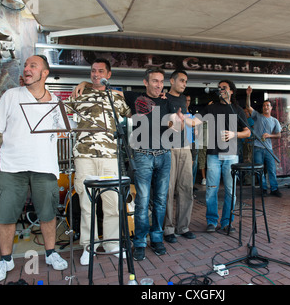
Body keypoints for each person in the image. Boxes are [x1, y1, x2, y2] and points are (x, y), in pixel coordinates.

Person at [0, 55, 68, 283]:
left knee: (47, 214)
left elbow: (63, 131)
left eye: (32, 66)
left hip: (44, 167)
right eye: (25, 66)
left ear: (44, 73)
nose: (26, 69)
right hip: (11, 166)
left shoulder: (56, 102)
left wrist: (67, 129)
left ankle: (51, 253)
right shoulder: (11, 95)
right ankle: (6, 260)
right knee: (5, 216)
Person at [68, 58, 131, 265]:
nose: (96, 74)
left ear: (109, 74)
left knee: (112, 201)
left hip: (109, 155)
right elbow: (65, 115)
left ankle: (112, 244)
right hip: (84, 155)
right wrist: (83, 86)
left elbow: (131, 116)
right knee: (87, 203)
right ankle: (89, 246)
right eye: (93, 71)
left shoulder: (116, 97)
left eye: (100, 71)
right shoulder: (79, 93)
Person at [122, 67, 183, 261]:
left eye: (161, 81)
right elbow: (109, 91)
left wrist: (179, 124)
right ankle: (139, 241)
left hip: (164, 155)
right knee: (142, 201)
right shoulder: (134, 98)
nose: (158, 85)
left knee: (161, 200)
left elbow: (174, 127)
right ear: (145, 82)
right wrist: (83, 84)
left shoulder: (169, 102)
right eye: (154, 81)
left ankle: (157, 238)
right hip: (143, 155)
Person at [203, 80, 251, 233]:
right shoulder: (211, 107)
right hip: (213, 154)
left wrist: (234, 134)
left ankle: (227, 222)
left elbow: (248, 132)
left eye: (224, 88)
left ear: (231, 91)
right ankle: (211, 221)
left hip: (231, 155)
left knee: (230, 191)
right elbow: (196, 120)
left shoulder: (237, 109)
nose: (221, 90)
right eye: (219, 88)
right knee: (211, 189)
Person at [163, 70, 196, 244]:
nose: (184, 84)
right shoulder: (163, 98)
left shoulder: (183, 99)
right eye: (181, 80)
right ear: (172, 81)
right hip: (168, 148)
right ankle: (168, 229)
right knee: (168, 190)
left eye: (186, 81)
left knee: (186, 188)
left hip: (185, 148)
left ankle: (183, 227)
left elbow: (185, 121)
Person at [246, 86, 282, 197]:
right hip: (257, 147)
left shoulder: (274, 120)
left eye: (267, 105)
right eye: (264, 105)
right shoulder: (257, 116)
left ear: (271, 108)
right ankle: (263, 189)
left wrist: (269, 135)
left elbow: (279, 134)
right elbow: (248, 106)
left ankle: (274, 189)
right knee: (259, 169)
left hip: (269, 148)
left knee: (272, 169)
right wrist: (248, 94)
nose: (265, 107)